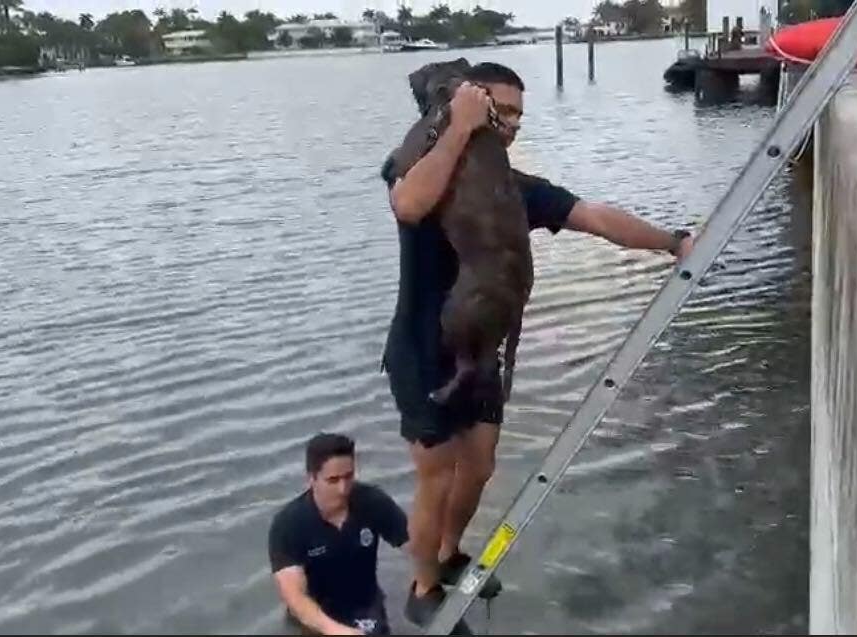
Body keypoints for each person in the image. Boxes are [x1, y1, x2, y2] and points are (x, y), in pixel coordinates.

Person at [378, 62, 697, 628]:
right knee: (437, 475)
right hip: (423, 350)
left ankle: (450, 554)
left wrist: (672, 243)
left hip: (480, 347)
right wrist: (458, 127)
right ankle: (421, 586)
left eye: (521, 114)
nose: (513, 124)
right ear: (469, 102)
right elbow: (407, 206)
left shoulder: (514, 191)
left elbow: (594, 217)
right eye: (502, 109)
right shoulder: (419, 164)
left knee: (478, 466)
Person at [268, 433, 409, 636]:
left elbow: (414, 544)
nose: (343, 489)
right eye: (333, 480)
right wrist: (335, 630)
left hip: (364, 606)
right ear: (311, 479)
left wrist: (429, 574)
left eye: (348, 477)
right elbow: (295, 597)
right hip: (314, 616)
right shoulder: (288, 525)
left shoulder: (373, 502)